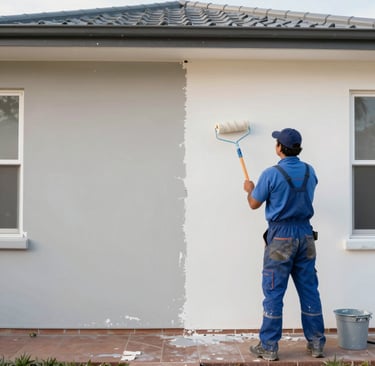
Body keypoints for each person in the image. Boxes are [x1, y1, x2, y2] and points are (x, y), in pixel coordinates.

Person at [243, 128, 325, 361]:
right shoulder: (310, 171)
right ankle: (317, 343)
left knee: (273, 291)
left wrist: (250, 190)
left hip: (281, 238)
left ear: (279, 148)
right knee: (309, 288)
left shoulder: (271, 174)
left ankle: (269, 346)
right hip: (306, 235)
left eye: (276, 142)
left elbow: (253, 204)